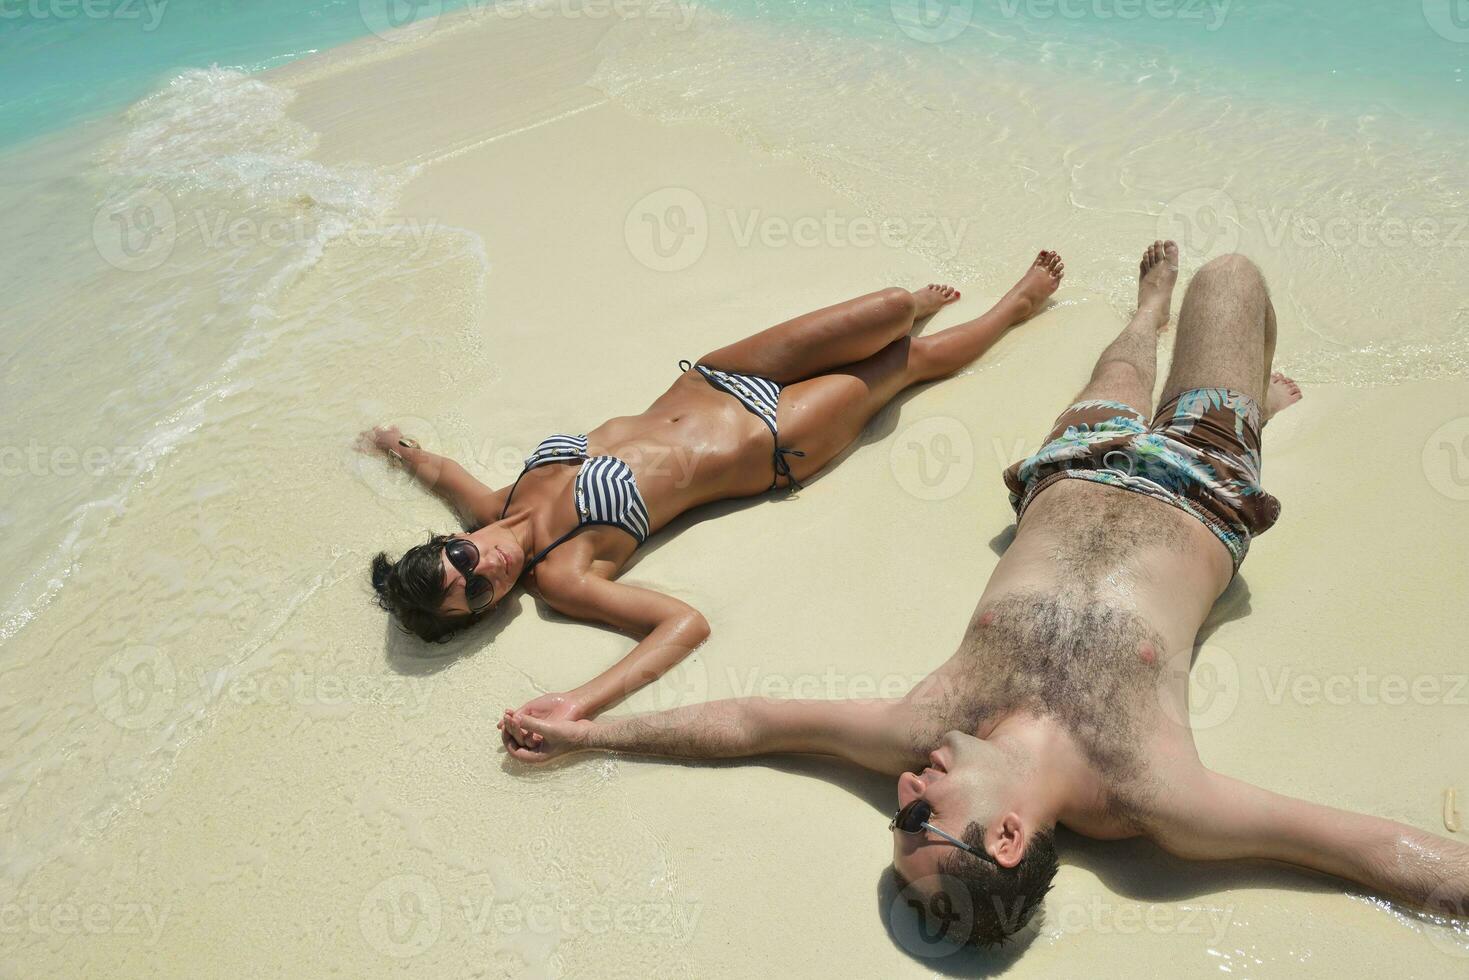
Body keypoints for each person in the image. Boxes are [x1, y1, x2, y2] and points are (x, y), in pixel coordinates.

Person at [498, 243, 1469, 948]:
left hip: (1070, 457)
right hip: (1204, 475)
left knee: (1123, 358)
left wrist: (591, 729)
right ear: (1006, 835)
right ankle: (1243, 383)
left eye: (901, 810)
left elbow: (751, 721)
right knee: (1235, 275)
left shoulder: (928, 724)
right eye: (918, 814)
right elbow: (1367, 848)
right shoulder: (1153, 794)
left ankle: (1144, 307)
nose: (904, 787)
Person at [361, 253, 1066, 729]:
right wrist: (580, 702)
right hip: (775, 439)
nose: (485, 570)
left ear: (449, 541)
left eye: (460, 562)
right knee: (906, 361)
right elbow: (681, 626)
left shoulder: (491, 505)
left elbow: (430, 465)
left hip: (713, 377)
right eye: (478, 595)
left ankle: (910, 306)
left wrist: (385, 445)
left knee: (886, 306)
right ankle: (1015, 307)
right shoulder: (562, 576)